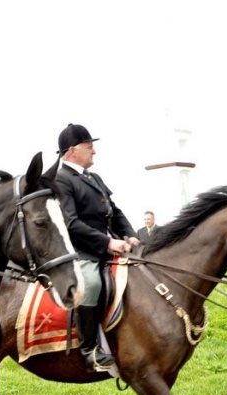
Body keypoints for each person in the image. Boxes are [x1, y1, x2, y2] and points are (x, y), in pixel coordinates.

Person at [55, 123, 139, 372]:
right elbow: (71, 223)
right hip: (82, 251)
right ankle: (89, 350)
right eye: (89, 147)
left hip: (110, 245)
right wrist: (107, 242)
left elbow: (115, 211)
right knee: (90, 284)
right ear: (73, 150)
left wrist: (130, 235)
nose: (94, 151)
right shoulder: (61, 179)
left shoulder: (93, 177)